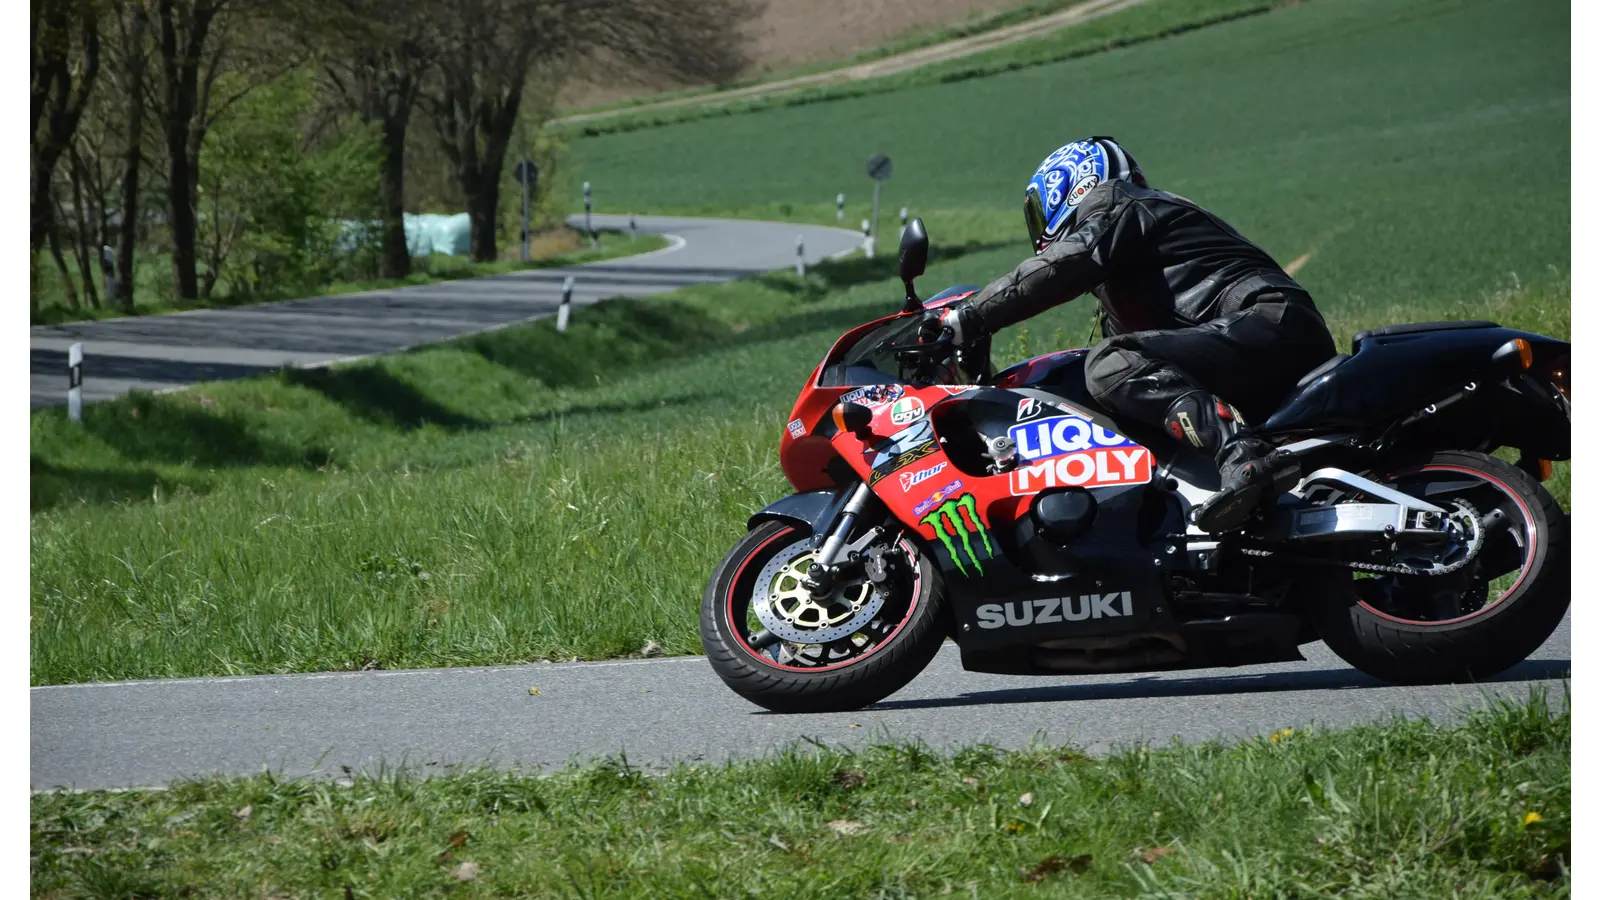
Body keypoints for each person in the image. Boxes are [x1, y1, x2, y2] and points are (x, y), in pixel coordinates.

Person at [921, 136, 1336, 532]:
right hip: (1255, 339)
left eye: (1038, 209)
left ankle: (1241, 455)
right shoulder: (1126, 282)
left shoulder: (1118, 203)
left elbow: (1068, 262)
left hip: (1269, 321)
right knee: (1098, 375)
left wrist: (968, 318)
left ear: (1071, 185)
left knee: (1109, 362)